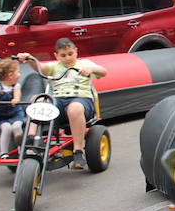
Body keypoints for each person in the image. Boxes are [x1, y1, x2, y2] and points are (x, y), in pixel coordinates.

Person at [16, 38, 107, 168]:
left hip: (81, 100)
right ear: (56, 55)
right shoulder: (54, 66)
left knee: (74, 108)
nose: (68, 58)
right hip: (57, 101)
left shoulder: (84, 63)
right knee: (38, 99)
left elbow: (104, 72)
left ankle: (78, 151)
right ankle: (31, 136)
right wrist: (29, 58)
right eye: (63, 55)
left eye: (70, 54)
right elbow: (40, 67)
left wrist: (91, 69)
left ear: (76, 51)